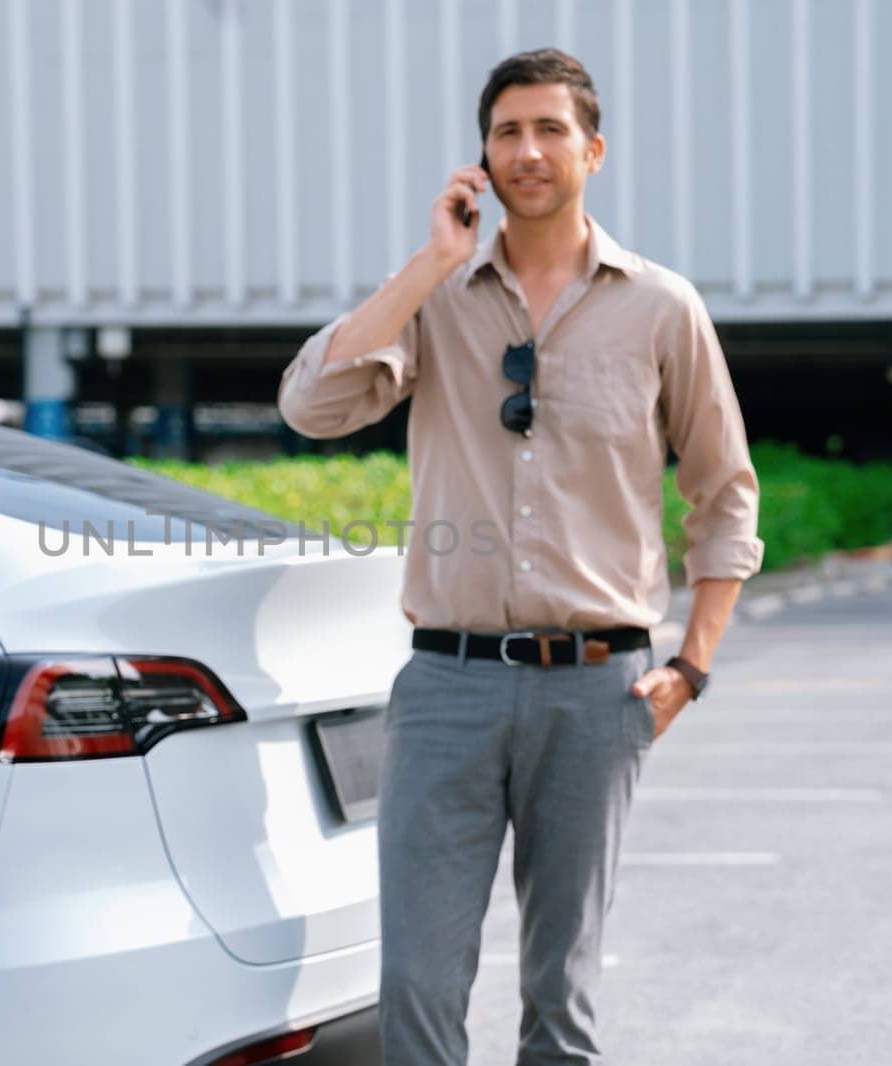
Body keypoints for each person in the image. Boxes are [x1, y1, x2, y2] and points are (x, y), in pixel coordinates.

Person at [276, 49, 763, 1066]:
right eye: (505, 132)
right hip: (446, 684)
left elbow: (723, 492)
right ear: (480, 159)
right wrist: (428, 266)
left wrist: (693, 666)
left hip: (600, 690)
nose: (527, 151)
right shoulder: (439, 301)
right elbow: (311, 405)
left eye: (548, 130)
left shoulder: (660, 306)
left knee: (561, 989)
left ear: (592, 149)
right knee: (415, 981)